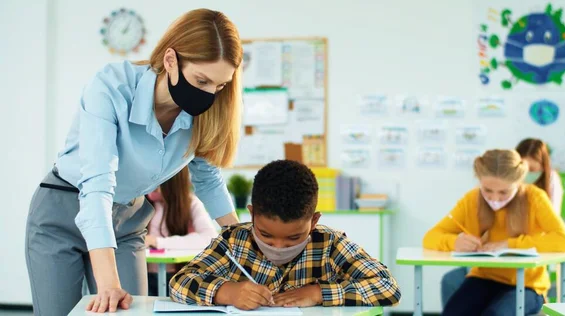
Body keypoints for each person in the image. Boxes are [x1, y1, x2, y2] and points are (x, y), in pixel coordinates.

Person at [25, 9, 242, 315]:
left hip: (126, 219)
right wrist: (109, 282)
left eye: (219, 87)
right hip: (63, 211)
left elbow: (208, 179)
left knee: (130, 313)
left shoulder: (206, 115)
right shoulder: (112, 87)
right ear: (171, 61)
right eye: (202, 80)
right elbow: (98, 184)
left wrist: (243, 244)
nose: (209, 95)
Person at [169, 160, 402, 310]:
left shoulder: (331, 245)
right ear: (252, 215)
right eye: (265, 235)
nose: (278, 247)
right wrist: (227, 292)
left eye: (293, 238)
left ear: (314, 221)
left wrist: (318, 292)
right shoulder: (234, 241)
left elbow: (388, 286)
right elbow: (179, 283)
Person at [424, 150, 565, 316]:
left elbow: (563, 241)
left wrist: (510, 244)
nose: (495, 198)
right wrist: (454, 242)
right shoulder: (471, 200)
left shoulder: (535, 198)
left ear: (518, 183)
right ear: (479, 180)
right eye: (487, 190)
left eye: (504, 192)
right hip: (483, 279)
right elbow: (431, 237)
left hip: (529, 286)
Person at [145, 167, 218, 296]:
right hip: (144, 275)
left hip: (177, 277)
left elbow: (209, 238)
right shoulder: (143, 203)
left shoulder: (191, 203)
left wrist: (157, 242)